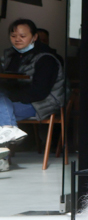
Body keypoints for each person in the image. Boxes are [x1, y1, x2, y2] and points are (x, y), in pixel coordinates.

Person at [0, 18, 66, 147]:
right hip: (17, 100)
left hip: (41, 104)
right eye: (13, 36)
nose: (17, 39)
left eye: (23, 36)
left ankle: (3, 157)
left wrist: (9, 96)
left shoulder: (46, 58)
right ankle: (9, 130)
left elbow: (39, 92)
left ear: (34, 37)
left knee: (2, 109)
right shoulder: (11, 56)